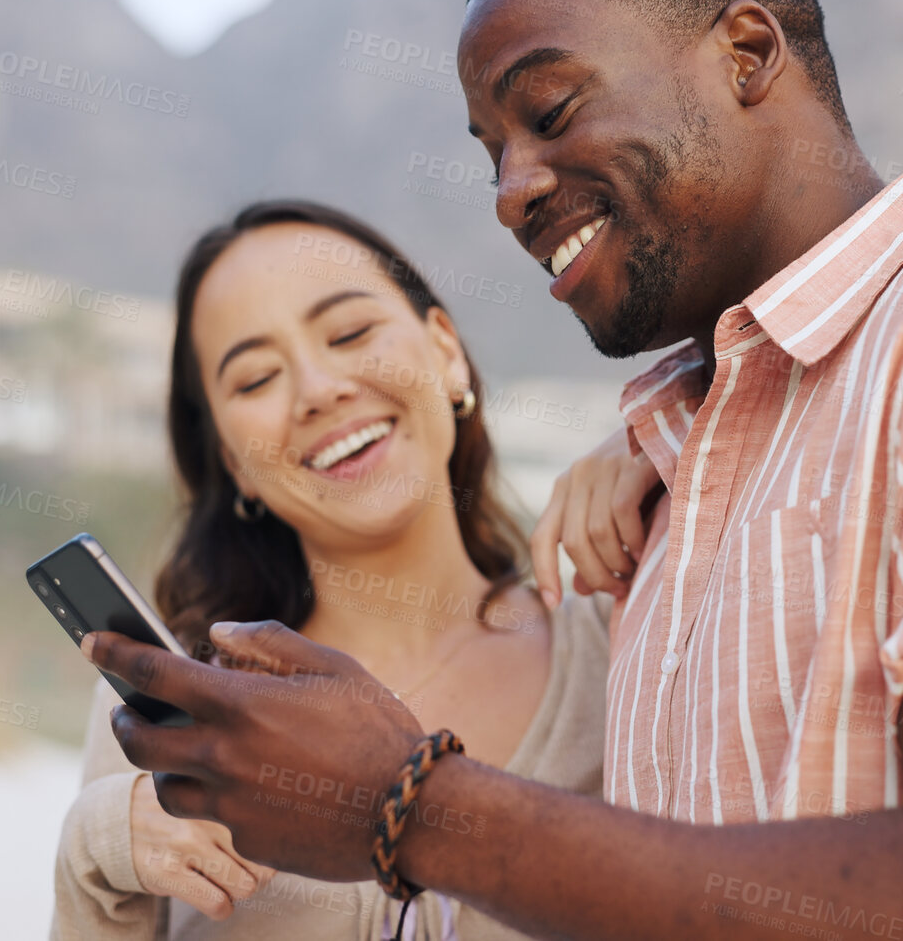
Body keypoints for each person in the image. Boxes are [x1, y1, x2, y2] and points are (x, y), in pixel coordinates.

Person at [81, 0, 903, 937]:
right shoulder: (672, 493)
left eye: (548, 109)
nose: (509, 189)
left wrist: (413, 805)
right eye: (493, 151)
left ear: (749, 52)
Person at [50, 200, 619, 939]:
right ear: (233, 462)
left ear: (445, 351)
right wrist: (95, 851)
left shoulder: (620, 642)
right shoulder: (171, 709)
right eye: (256, 379)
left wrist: (653, 441)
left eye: (350, 332)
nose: (319, 389)